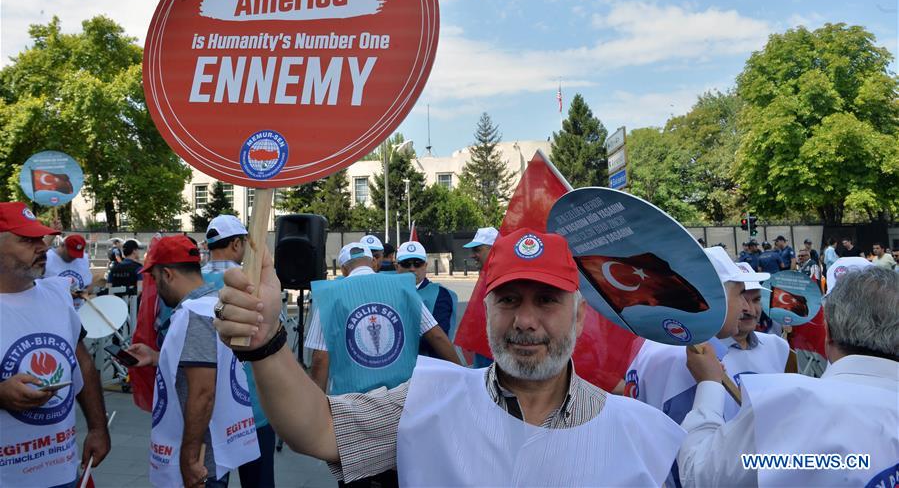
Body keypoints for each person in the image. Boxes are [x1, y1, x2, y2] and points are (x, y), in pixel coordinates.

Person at [213, 228, 685, 486]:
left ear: (579, 317)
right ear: (486, 311)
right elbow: (317, 430)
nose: (525, 320)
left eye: (547, 301)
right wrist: (266, 342)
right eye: (508, 300)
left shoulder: (644, 435)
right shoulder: (427, 400)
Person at [678, 267, 899, 486]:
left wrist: (709, 384)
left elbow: (697, 474)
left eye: (756, 300)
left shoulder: (793, 404)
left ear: (828, 333)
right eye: (743, 298)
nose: (749, 309)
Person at [621, 248, 770, 486]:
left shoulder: (664, 344)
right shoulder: (689, 359)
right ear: (714, 298)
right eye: (740, 294)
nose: (746, 307)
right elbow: (688, 466)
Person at [126, 235, 259, 488]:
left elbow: (202, 392)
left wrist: (189, 459)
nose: (155, 287)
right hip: (215, 448)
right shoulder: (214, 303)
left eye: (154, 278)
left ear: (167, 274)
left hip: (201, 460)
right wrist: (155, 357)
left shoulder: (195, 314)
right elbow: (203, 365)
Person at [0, 202, 110, 487]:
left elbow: (82, 363)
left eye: (41, 238)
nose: (42, 247)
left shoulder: (57, 295)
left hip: (61, 469)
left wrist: (98, 428)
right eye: (27, 240)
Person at [305, 242, 460, 392]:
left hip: (353, 398)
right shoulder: (403, 286)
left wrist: (316, 404)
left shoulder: (329, 295)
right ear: (373, 262)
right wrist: (462, 374)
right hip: (402, 394)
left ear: (344, 270)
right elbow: (437, 336)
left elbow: (320, 358)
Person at [201, 214, 275, 488]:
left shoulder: (190, 282)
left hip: (206, 407)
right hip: (251, 406)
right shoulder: (251, 283)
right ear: (235, 244)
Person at [395, 240, 459, 355]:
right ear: (397, 266)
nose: (412, 268)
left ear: (425, 265)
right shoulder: (388, 291)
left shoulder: (441, 294)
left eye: (417, 263)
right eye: (406, 263)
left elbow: (438, 337)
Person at [45, 233, 93, 310]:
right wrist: (65, 294)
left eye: (77, 255)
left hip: (77, 310)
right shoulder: (47, 258)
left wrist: (85, 292)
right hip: (53, 309)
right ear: (62, 245)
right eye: (71, 254)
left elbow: (89, 285)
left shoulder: (83, 259)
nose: (73, 257)